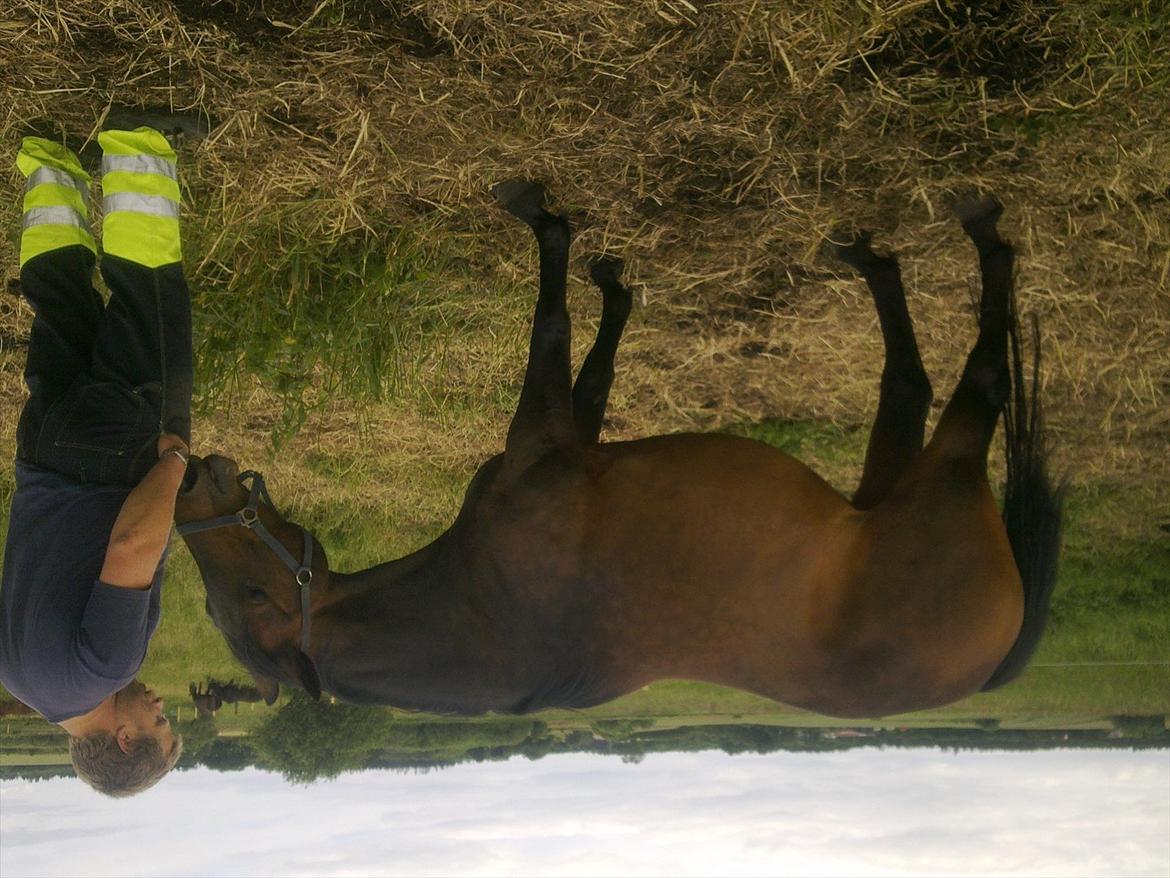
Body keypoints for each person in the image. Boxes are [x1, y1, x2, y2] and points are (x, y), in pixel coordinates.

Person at [0, 111, 205, 796]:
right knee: (60, 306)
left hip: (113, 453)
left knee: (153, 310)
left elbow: (129, 546)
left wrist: (173, 465)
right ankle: (47, 162)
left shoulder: (107, 668)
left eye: (160, 723)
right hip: (42, 451)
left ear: (125, 739)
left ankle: (136, 146)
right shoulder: (18, 676)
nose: (160, 705)